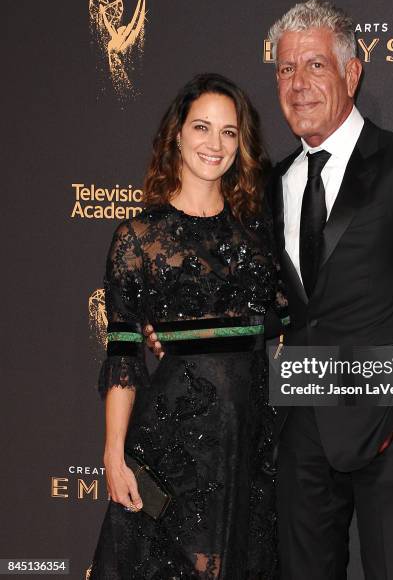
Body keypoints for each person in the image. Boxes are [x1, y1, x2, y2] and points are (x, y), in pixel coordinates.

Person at [147, 0, 393, 579]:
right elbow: (260, 302)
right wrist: (176, 331)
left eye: (314, 66)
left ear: (351, 73)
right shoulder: (270, 184)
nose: (297, 85)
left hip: (384, 428)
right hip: (296, 434)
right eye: (285, 69)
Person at [89, 73, 289, 579]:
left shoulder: (257, 235)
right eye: (202, 127)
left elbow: (292, 317)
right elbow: (123, 355)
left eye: (228, 131)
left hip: (249, 441)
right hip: (174, 442)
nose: (214, 144)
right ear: (177, 134)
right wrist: (114, 455)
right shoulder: (138, 239)